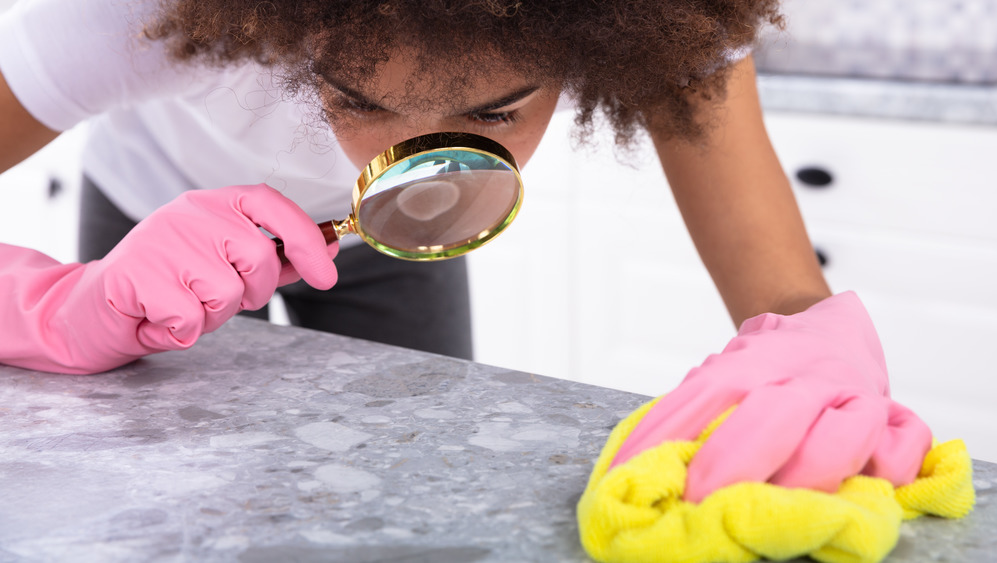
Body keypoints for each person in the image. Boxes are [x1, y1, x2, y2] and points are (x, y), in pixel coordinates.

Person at [0, 0, 932, 500]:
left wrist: (815, 346)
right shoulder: (129, 14)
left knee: (404, 465)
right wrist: (57, 307)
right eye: (356, 100)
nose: (409, 165)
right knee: (161, 489)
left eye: (493, 113)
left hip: (384, 247)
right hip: (155, 217)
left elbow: (783, 290)